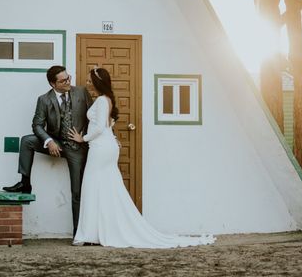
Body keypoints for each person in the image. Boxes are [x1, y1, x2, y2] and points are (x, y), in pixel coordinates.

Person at [68, 67, 215, 248]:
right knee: (107, 187)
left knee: (93, 186)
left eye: (90, 81)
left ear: (98, 83)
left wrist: (82, 138)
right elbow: (108, 125)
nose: (88, 84)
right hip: (107, 147)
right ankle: (98, 232)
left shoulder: (100, 101)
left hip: (100, 148)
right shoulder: (107, 100)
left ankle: (91, 233)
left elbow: (98, 128)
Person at [3, 65, 93, 236]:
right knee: (27, 141)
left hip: (77, 147)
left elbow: (95, 117)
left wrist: (90, 138)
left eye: (69, 78)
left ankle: (79, 233)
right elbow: (37, 124)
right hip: (58, 143)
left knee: (77, 192)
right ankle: (25, 182)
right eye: (63, 80)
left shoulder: (82, 93)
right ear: (53, 84)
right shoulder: (44, 99)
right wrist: (49, 141)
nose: (68, 82)